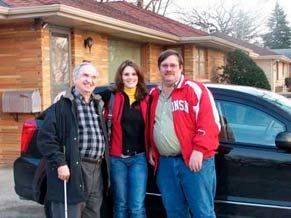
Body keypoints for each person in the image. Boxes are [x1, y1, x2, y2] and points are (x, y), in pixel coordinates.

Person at [148, 49, 221, 218]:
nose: (169, 69)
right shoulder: (153, 95)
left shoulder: (195, 89)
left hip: (193, 161)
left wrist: (199, 150)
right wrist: (152, 146)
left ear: (181, 68)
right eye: (164, 65)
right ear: (159, 68)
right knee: (174, 212)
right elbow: (151, 124)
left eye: (173, 65)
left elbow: (210, 122)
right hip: (165, 164)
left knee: (203, 212)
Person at [37, 62, 110, 218]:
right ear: (74, 78)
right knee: (69, 213)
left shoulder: (98, 104)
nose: (90, 80)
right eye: (85, 75)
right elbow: (45, 138)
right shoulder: (61, 105)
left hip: (97, 170)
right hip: (73, 168)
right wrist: (60, 163)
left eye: (93, 77)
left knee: (92, 213)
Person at [100, 60, 149, 218]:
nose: (130, 77)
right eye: (126, 74)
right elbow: (85, 94)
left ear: (138, 76)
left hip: (139, 159)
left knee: (136, 207)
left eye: (133, 74)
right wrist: (68, 93)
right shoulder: (111, 96)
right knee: (120, 205)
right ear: (120, 77)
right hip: (117, 160)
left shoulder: (147, 98)